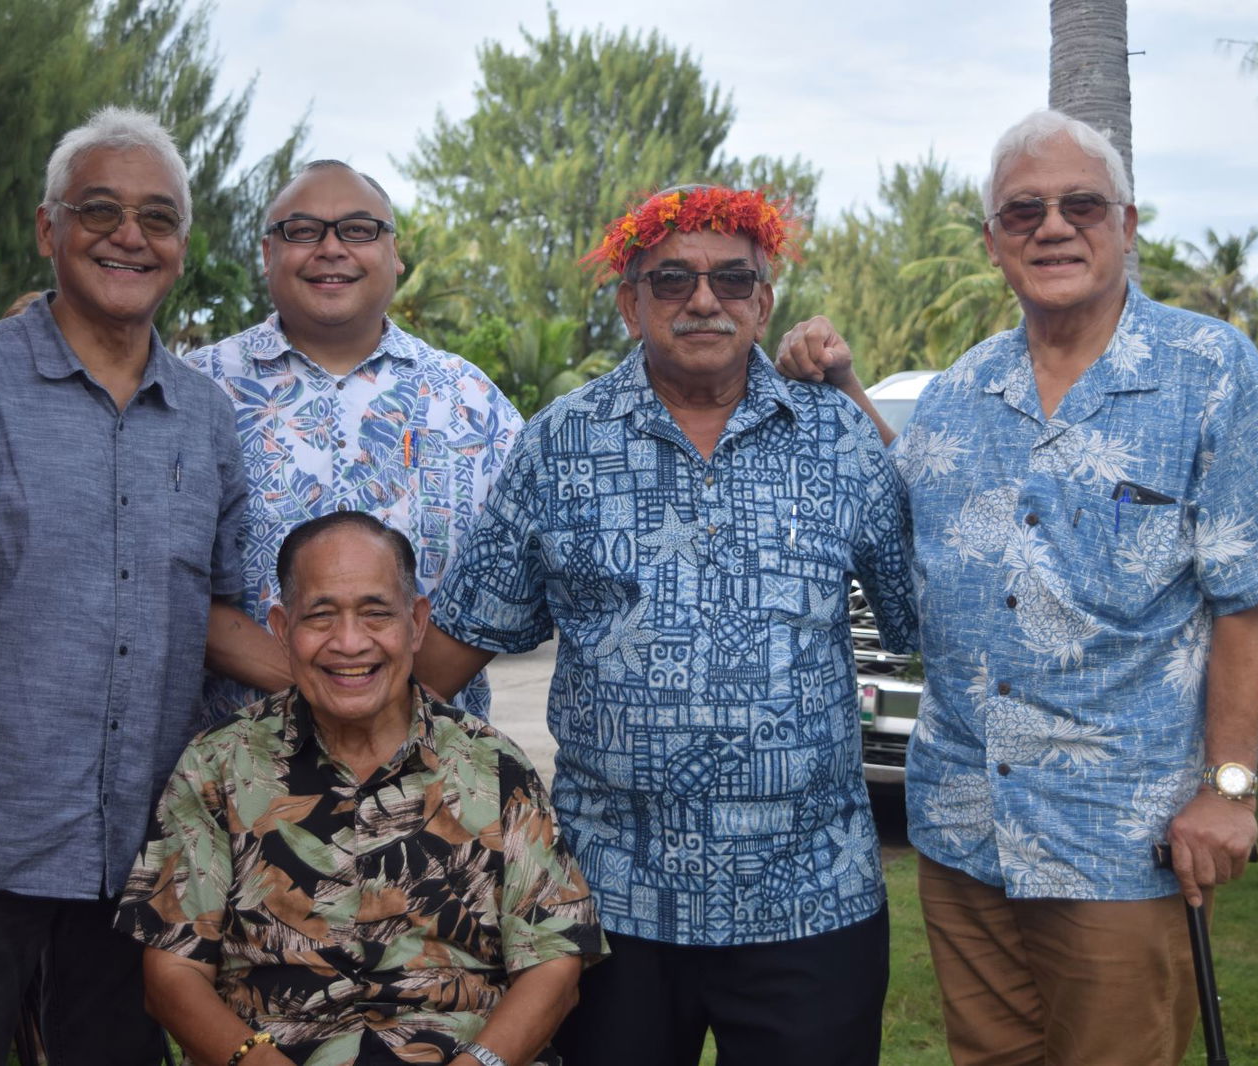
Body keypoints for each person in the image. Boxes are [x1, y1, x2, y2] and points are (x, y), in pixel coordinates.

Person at [776, 110, 1258, 1066]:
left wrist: (1229, 789)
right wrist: (848, 390)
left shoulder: (1208, 372)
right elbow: (918, 510)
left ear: (1127, 224)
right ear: (993, 242)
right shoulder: (961, 390)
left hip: (1122, 839)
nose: (1053, 227)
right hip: (961, 830)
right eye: (1023, 211)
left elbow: (1253, 593)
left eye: (1081, 205)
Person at [415, 185, 917, 1066]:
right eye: (672, 279)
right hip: (613, 905)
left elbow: (925, 611)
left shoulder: (838, 440)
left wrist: (852, 391)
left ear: (764, 301)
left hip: (813, 900)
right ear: (629, 300)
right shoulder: (559, 446)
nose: (703, 299)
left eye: (732, 279)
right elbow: (451, 646)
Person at [0, 106, 248, 1066]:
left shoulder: (206, 419)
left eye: (157, 218)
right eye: (99, 209)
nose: (128, 235)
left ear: (182, 247)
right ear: (47, 228)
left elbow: (213, 617)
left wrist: (356, 678)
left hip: (143, 860)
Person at [118, 511, 603, 1066]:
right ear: (281, 629)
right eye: (321, 616)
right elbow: (172, 973)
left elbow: (555, 963)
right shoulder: (216, 768)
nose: (349, 643)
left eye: (376, 614)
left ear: (417, 623)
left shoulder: (495, 768)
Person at [189, 160, 523, 723]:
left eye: (359, 229)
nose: (331, 248)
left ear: (394, 253)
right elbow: (161, 584)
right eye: (302, 230)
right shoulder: (196, 391)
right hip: (243, 783)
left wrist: (398, 711)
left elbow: (507, 587)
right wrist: (332, 693)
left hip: (435, 777)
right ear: (269, 254)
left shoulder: (472, 401)